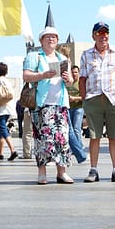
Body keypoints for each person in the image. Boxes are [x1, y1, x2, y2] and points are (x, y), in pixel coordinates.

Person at [80, 21, 115, 183]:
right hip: (94, 98)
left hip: (114, 98)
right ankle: (93, 170)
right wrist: (84, 99)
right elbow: (82, 78)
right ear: (93, 36)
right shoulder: (86, 54)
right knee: (94, 136)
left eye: (105, 33)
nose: (103, 36)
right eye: (99, 33)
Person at [23, 26, 74, 184]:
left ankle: (61, 172)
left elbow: (71, 82)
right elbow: (26, 75)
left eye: (54, 37)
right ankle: (42, 171)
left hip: (60, 103)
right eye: (47, 37)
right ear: (41, 41)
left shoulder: (63, 59)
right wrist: (43, 75)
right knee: (42, 138)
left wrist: (68, 78)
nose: (51, 39)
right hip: (42, 104)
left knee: (62, 139)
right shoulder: (35, 56)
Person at [66, 65, 87, 164]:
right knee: (70, 129)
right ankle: (77, 147)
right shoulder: (68, 83)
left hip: (79, 107)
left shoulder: (81, 83)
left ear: (79, 73)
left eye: (75, 72)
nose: (74, 74)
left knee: (76, 128)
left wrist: (75, 98)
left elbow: (85, 96)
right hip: (69, 108)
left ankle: (79, 149)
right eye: (72, 72)